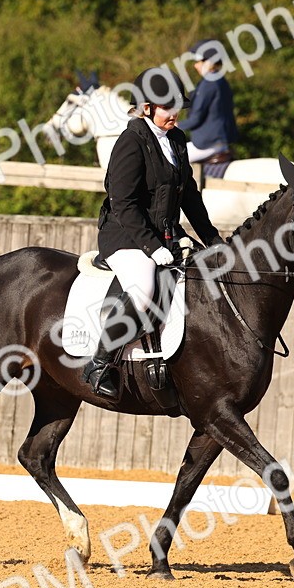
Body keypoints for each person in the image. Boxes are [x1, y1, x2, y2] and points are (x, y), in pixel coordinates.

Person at [83, 66, 225, 400]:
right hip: (124, 235)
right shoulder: (131, 142)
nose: (175, 113)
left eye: (177, 106)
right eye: (168, 107)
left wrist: (213, 239)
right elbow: (124, 203)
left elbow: (188, 193)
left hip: (165, 235)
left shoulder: (176, 140)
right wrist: (151, 246)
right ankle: (100, 363)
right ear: (146, 107)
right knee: (146, 286)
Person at [179, 39, 239, 165]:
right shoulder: (220, 80)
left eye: (199, 62)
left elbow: (196, 118)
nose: (195, 65)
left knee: (170, 158)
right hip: (220, 141)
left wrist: (173, 125)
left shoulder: (209, 84)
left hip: (208, 143)